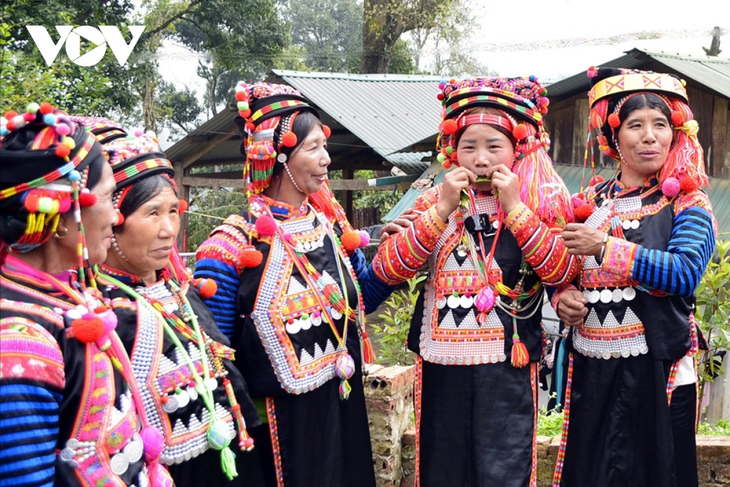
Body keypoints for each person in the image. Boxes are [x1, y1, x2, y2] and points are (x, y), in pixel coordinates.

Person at [371, 77, 580, 487]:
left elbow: (560, 272)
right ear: (453, 150)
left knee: (505, 468)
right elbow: (388, 270)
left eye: (494, 146)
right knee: (442, 468)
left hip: (507, 365)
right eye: (469, 146)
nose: (481, 159)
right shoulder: (434, 200)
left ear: (517, 149)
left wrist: (516, 209)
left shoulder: (535, 202)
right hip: (441, 363)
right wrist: (442, 209)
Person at [194, 82, 396, 487]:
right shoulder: (230, 247)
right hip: (278, 434)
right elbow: (216, 362)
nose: (326, 159)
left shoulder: (332, 229)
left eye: (325, 146)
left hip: (340, 412)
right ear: (280, 155)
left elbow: (365, 298)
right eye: (314, 148)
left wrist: (408, 244)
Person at [75, 121, 264, 487]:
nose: (169, 229)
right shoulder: (101, 315)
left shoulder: (183, 292)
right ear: (113, 222)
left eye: (172, 211)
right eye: (152, 213)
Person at [553, 68, 717, 487]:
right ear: (614, 137)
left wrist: (605, 247)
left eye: (660, 125)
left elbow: (684, 273)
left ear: (674, 133)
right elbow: (563, 266)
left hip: (657, 366)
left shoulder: (689, 201)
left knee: (657, 471)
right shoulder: (590, 202)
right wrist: (563, 295)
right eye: (636, 125)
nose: (649, 136)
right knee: (591, 471)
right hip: (592, 365)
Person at [0, 105, 174, 486]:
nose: (115, 217)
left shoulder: (65, 295)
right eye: (110, 198)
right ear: (66, 215)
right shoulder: (20, 343)